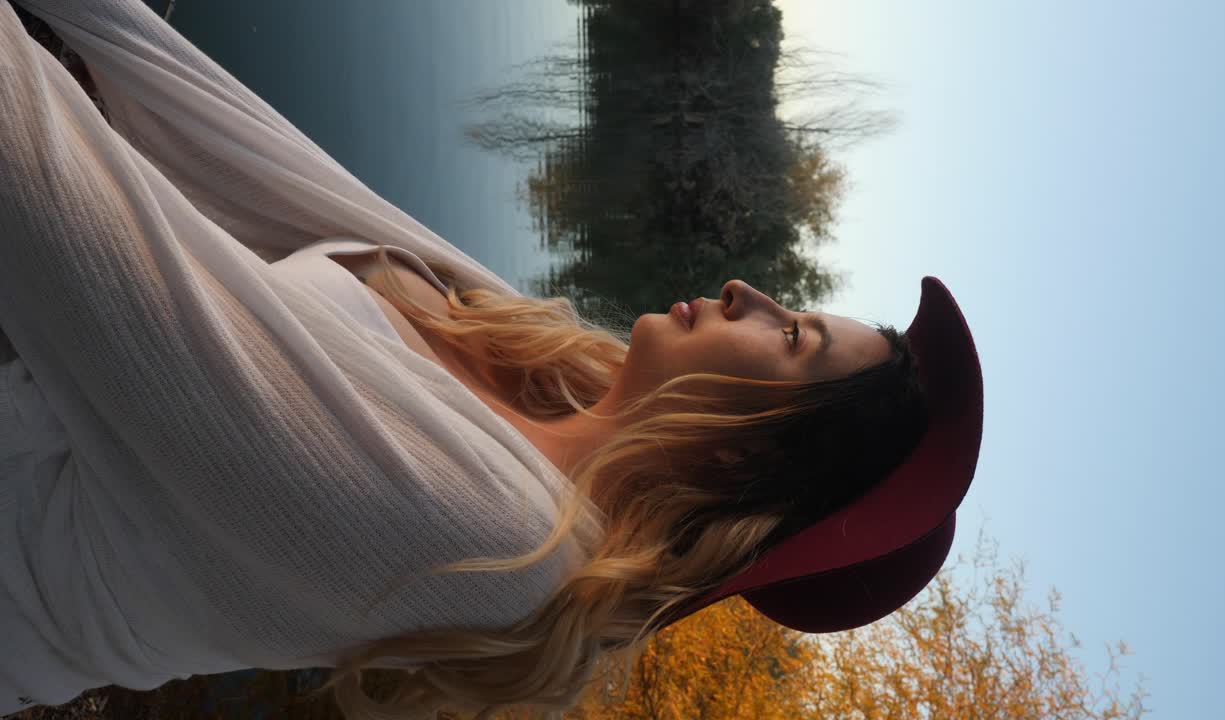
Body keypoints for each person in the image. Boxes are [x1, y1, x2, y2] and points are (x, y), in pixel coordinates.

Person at [0, 2, 982, 719]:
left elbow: (59, 212)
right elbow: (232, 144)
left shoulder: (495, 545)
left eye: (790, 337)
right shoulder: (529, 352)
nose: (748, 294)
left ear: (753, 459)